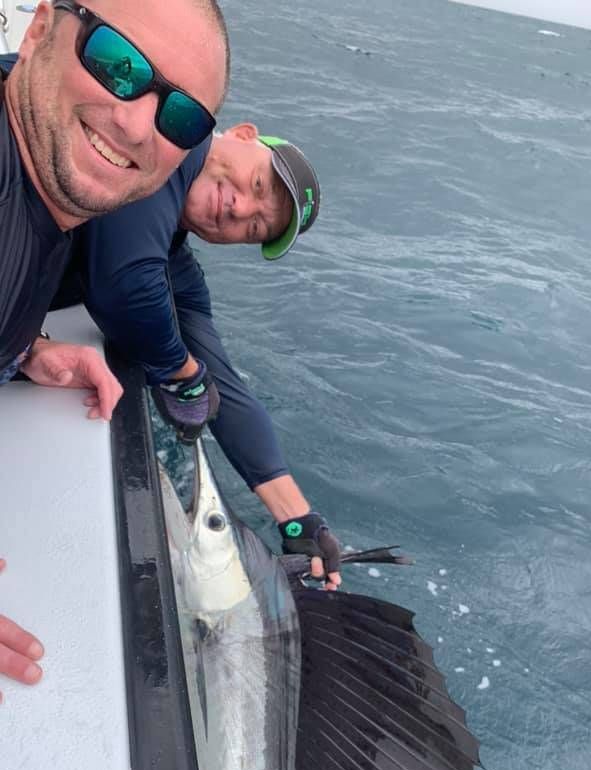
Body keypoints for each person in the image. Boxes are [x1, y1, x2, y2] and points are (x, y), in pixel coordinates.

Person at [0, 0, 229, 690]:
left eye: (181, 117)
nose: (135, 122)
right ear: (40, 28)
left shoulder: (47, 201)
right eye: (116, 63)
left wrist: (24, 351)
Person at [57, 123, 343, 590]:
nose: (240, 209)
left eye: (254, 228)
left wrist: (299, 519)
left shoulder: (172, 258)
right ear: (242, 134)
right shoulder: (160, 144)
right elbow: (123, 287)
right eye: (258, 185)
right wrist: (180, 372)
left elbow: (223, 386)